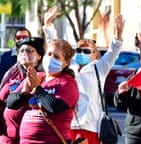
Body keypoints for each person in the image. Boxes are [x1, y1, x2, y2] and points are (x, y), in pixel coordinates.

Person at [43, 6, 124, 144]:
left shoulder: (99, 68)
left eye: (87, 52)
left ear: (95, 55)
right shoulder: (69, 67)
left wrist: (118, 36)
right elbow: (56, 47)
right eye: (79, 50)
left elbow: (113, 53)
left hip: (90, 127)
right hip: (68, 124)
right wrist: (48, 25)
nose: (81, 54)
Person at [5, 38, 79, 143]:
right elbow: (10, 103)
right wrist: (24, 92)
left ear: (66, 63)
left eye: (56, 57)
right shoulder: (38, 77)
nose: (50, 58)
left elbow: (55, 107)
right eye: (49, 54)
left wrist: (36, 89)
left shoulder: (67, 83)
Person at [0, 37, 44, 143]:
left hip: (30, 137)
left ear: (39, 56)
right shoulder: (12, 74)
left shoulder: (44, 76)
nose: (24, 53)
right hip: (6, 136)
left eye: (29, 50)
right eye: (21, 51)